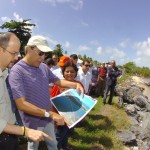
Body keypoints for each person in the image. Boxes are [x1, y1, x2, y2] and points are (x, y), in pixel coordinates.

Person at [9, 35, 84, 150]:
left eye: (45, 54)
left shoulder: (43, 67)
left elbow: (58, 81)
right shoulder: (17, 71)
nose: (43, 57)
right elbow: (21, 104)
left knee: (53, 144)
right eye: (40, 53)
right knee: (33, 146)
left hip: (48, 118)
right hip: (33, 121)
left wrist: (75, 84)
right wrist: (50, 114)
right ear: (29, 49)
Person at [0, 32, 51, 150]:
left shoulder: (6, 73)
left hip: (11, 135)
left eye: (17, 53)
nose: (16, 57)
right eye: (13, 53)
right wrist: (25, 131)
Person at [51, 61, 85, 150]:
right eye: (67, 71)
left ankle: (65, 146)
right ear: (63, 72)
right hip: (60, 117)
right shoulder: (58, 84)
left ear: (76, 73)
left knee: (65, 133)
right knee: (57, 136)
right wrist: (54, 116)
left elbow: (82, 101)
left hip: (72, 116)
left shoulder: (79, 85)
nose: (69, 73)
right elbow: (52, 100)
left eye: (72, 71)